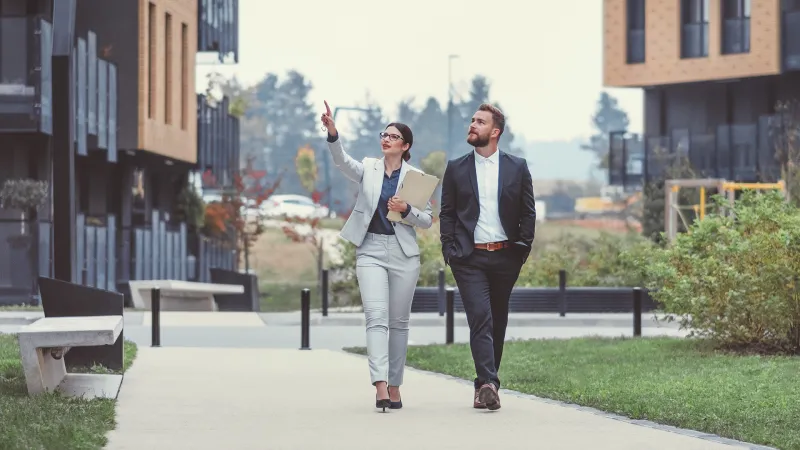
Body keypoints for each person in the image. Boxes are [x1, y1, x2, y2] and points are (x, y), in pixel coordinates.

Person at [320, 101, 433, 412]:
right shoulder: (368, 167)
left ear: (405, 146)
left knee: (398, 323)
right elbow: (342, 162)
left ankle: (395, 386)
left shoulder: (416, 178)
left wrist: (406, 210)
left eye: (393, 137)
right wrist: (333, 134)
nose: (386, 139)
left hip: (403, 254)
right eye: (384, 134)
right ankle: (380, 385)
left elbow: (426, 220)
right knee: (376, 318)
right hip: (369, 248)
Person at [439, 103, 536, 411]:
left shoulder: (517, 167)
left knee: (497, 320)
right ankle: (490, 384)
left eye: (479, 122)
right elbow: (448, 213)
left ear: (495, 132)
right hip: (469, 258)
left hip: (506, 256)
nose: (472, 125)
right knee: (480, 317)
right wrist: (450, 250)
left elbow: (527, 210)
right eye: (472, 120)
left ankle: (483, 386)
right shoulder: (456, 168)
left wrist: (523, 247)